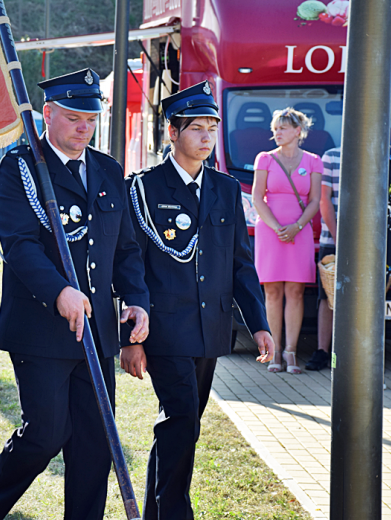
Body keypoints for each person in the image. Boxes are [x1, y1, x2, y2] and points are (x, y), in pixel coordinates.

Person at [0, 68, 150, 520]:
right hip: (41, 328)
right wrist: (59, 292)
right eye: (73, 117)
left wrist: (136, 301)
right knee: (47, 434)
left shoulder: (109, 170)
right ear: (47, 114)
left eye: (90, 118)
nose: (83, 127)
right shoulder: (21, 168)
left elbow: (125, 248)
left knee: (95, 441)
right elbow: (19, 244)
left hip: (97, 331)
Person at [121, 81, 274, 519]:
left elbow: (240, 264)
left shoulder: (226, 189)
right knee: (182, 418)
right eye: (196, 129)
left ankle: (155, 511)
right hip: (164, 329)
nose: (206, 137)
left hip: (210, 329)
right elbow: (130, 266)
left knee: (181, 425)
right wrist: (129, 338)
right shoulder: (145, 188)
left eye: (212, 128)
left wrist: (259, 322)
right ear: (172, 132)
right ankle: (174, 511)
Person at [307, 146, 391, 371]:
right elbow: (324, 201)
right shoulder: (331, 156)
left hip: (369, 245)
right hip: (332, 242)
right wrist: (341, 240)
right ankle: (323, 351)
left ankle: (358, 356)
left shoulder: (381, 155)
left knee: (363, 299)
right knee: (327, 297)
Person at [252, 107, 322, 374]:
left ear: (297, 131)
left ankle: (291, 352)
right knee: (272, 292)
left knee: (295, 291)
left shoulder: (314, 161)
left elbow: (315, 200)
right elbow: (258, 197)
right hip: (271, 232)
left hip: (299, 232)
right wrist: (278, 227)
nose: (276, 132)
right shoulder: (265, 159)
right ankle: (275, 353)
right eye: (275, 128)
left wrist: (297, 226)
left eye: (282, 128)